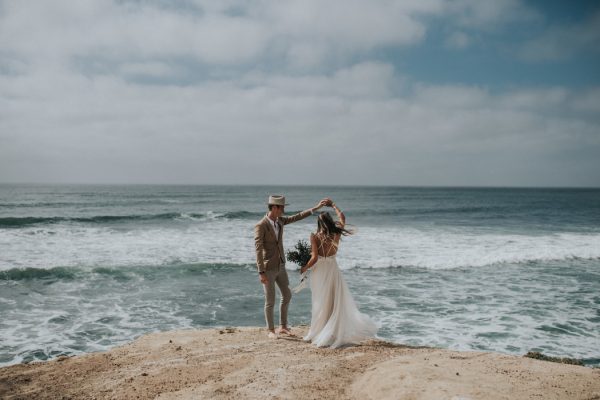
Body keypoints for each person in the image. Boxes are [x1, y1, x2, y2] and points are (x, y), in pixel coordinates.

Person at [301, 201, 378, 347]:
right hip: (332, 268)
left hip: (319, 271)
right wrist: (334, 206)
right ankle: (331, 332)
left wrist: (304, 267)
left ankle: (318, 331)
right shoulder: (336, 232)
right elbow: (343, 218)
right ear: (330, 221)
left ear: (318, 223)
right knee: (333, 301)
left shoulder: (315, 236)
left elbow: (315, 258)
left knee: (320, 301)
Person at [254, 195, 328, 339]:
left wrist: (316, 208)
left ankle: (282, 326)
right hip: (268, 268)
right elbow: (258, 248)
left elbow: (298, 216)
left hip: (281, 266)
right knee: (270, 301)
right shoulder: (261, 225)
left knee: (287, 295)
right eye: (282, 208)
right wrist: (261, 271)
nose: (283, 210)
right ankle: (270, 330)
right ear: (274, 208)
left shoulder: (280, 221)